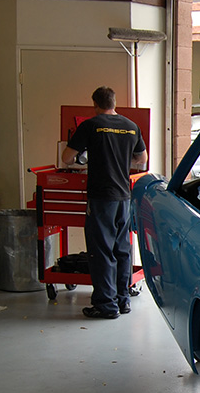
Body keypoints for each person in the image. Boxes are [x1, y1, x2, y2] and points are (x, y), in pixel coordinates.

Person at [62, 86, 148, 319]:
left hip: (101, 198)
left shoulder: (90, 125)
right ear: (114, 102)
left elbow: (66, 158)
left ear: (95, 104)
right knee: (122, 250)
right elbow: (142, 159)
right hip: (124, 197)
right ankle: (123, 300)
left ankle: (105, 305)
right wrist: (121, 158)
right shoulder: (131, 126)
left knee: (101, 251)